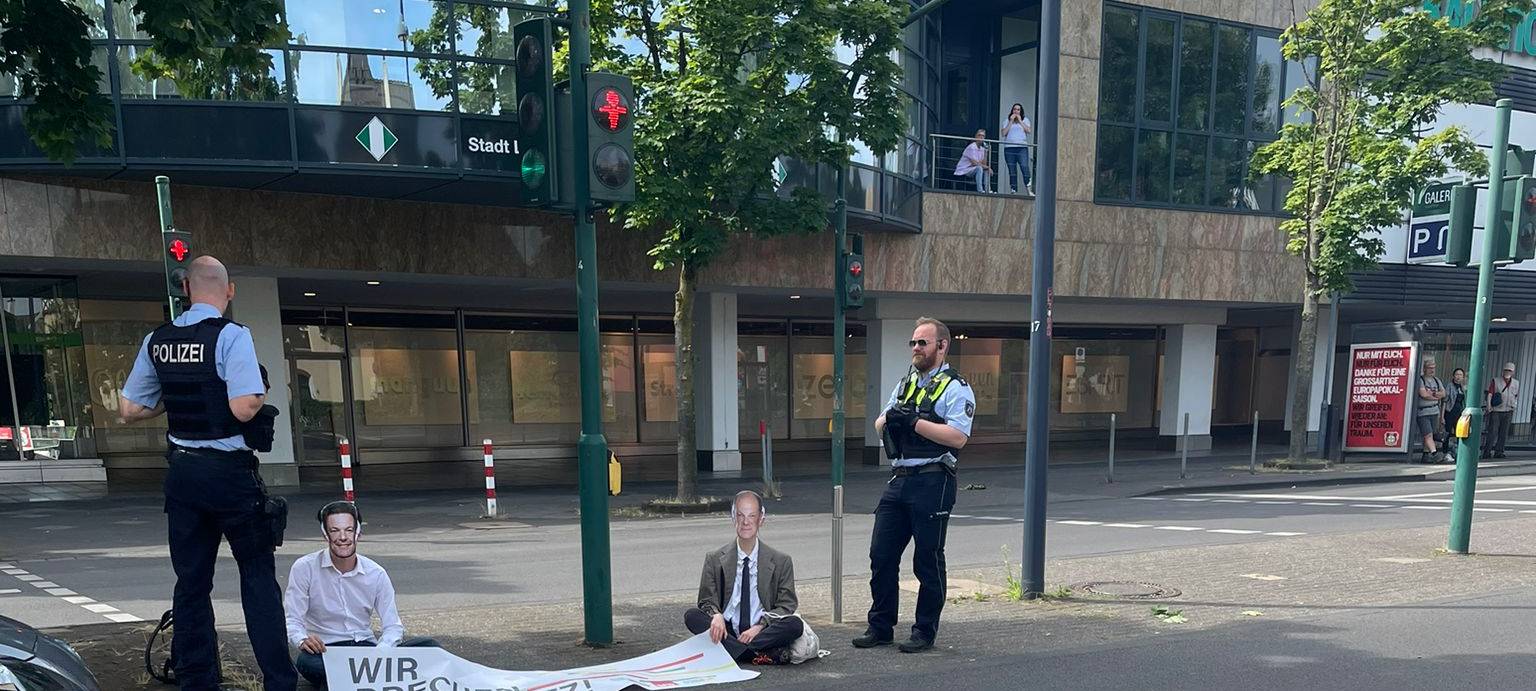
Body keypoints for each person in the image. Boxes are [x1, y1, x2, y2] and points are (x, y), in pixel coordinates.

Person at [117, 255, 297, 690]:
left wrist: (175, 401)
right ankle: (278, 680)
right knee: (256, 578)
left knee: (192, 583)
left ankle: (197, 680)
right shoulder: (232, 336)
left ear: (186, 290)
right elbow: (244, 406)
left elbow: (129, 410)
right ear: (228, 291)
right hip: (230, 477)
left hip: (183, 477)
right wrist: (254, 388)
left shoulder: (156, 339)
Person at [854, 317, 976, 654]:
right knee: (881, 554)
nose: (916, 348)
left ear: (942, 346)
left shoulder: (956, 387)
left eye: (923, 342)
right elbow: (880, 424)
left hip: (934, 479)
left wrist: (915, 423)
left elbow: (958, 437)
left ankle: (924, 631)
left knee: (927, 559)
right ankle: (880, 627)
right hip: (900, 479)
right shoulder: (905, 383)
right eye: (913, 343)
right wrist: (892, 420)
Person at [286, 501, 440, 687]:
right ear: (325, 533)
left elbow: (393, 626)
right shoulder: (304, 568)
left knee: (430, 648)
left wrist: (382, 650)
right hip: (326, 652)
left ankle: (352, 678)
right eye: (335, 530)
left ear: (358, 532)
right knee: (308, 663)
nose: (343, 537)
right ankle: (366, 677)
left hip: (367, 651)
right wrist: (302, 639)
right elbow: (293, 620)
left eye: (349, 530)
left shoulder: (376, 573)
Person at [684, 490, 803, 665]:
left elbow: (787, 605)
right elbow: (706, 600)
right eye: (740, 515)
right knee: (692, 616)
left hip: (762, 631)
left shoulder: (781, 561)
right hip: (727, 630)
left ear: (761, 519)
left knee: (794, 624)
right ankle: (754, 654)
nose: (746, 522)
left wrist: (760, 626)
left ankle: (734, 651)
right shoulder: (714, 558)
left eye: (752, 515)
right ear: (733, 518)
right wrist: (716, 615)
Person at [1483, 362, 1521, 459]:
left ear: (1513, 372)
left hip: (1508, 410)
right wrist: (1488, 406)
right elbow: (1490, 394)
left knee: (1504, 432)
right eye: (1506, 370)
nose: (1507, 372)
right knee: (1493, 431)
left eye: (1510, 370)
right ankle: (1487, 452)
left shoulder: (1516, 383)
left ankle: (1499, 451)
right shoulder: (1495, 381)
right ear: (1503, 370)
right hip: (1496, 410)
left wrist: (1514, 405)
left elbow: (1516, 396)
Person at [1415, 358, 1445, 464]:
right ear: (1424, 369)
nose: (1432, 370)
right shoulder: (1420, 380)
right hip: (1423, 411)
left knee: (1431, 434)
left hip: (1434, 411)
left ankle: (1425, 454)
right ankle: (1434, 453)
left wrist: (1431, 395)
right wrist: (1436, 396)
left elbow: (1443, 393)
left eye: (1433, 368)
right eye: (1429, 368)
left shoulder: (1437, 380)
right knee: (1427, 434)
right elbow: (1423, 394)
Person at [1000, 103, 1032, 195]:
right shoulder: (1007, 120)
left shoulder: (1025, 120)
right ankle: (1013, 190)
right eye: (1014, 109)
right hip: (1009, 148)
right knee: (1012, 169)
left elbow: (1028, 131)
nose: (1016, 111)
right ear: (1012, 110)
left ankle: (1029, 190)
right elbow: (1003, 133)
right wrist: (1011, 121)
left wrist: (1020, 121)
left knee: (1024, 167)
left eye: (1018, 110)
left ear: (1021, 111)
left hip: (1021, 148)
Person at [1443, 367, 1467, 463]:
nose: (1458, 377)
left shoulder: (1462, 387)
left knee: (1459, 433)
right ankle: (1446, 452)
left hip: (1459, 413)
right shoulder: (1449, 386)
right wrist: (1441, 416)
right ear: (1453, 376)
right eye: (1457, 374)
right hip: (1450, 412)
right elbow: (1445, 401)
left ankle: (1457, 452)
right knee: (1448, 433)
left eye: (1460, 375)